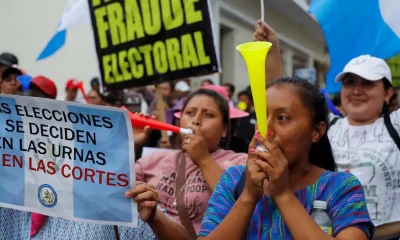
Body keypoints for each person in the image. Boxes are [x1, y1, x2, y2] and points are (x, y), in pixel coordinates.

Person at [254, 20, 400, 239]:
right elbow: (281, 97)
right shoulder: (328, 126)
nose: (357, 90)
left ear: (388, 93)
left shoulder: (396, 125)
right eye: (350, 83)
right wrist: (273, 50)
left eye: (367, 84)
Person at [4, 77, 189, 240]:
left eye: (46, 130)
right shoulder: (8, 193)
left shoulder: (106, 188)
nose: (35, 144)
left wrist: (155, 218)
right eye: (21, 130)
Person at [198, 77, 374, 240]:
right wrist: (249, 196)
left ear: (316, 132)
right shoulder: (233, 179)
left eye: (283, 118)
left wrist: (283, 194)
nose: (267, 130)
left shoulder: (341, 187)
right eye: (262, 116)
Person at [135, 85, 248, 237]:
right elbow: (112, 188)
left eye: (208, 115)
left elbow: (242, 205)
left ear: (224, 130)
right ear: (178, 121)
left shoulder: (239, 162)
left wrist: (203, 159)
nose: (196, 121)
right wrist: (131, 143)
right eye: (190, 113)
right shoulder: (153, 159)